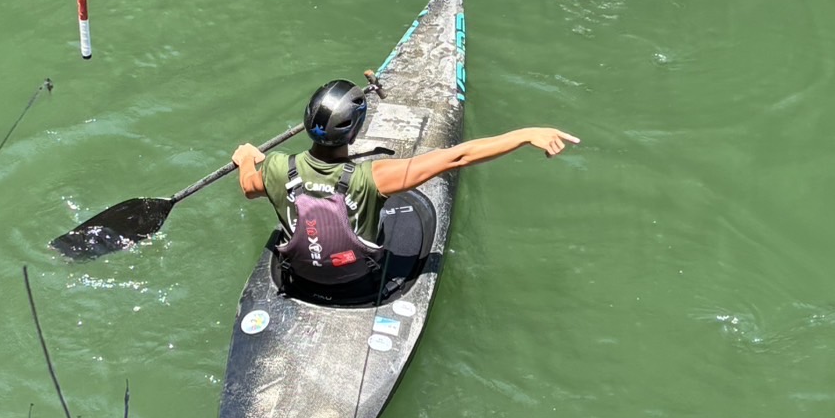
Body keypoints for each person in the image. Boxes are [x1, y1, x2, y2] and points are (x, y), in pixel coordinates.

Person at [231, 79, 578, 292]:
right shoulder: (374, 177)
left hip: (302, 278)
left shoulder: (278, 168)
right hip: (356, 281)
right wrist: (524, 134)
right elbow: (456, 157)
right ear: (354, 132)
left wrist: (247, 156)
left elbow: (248, 186)